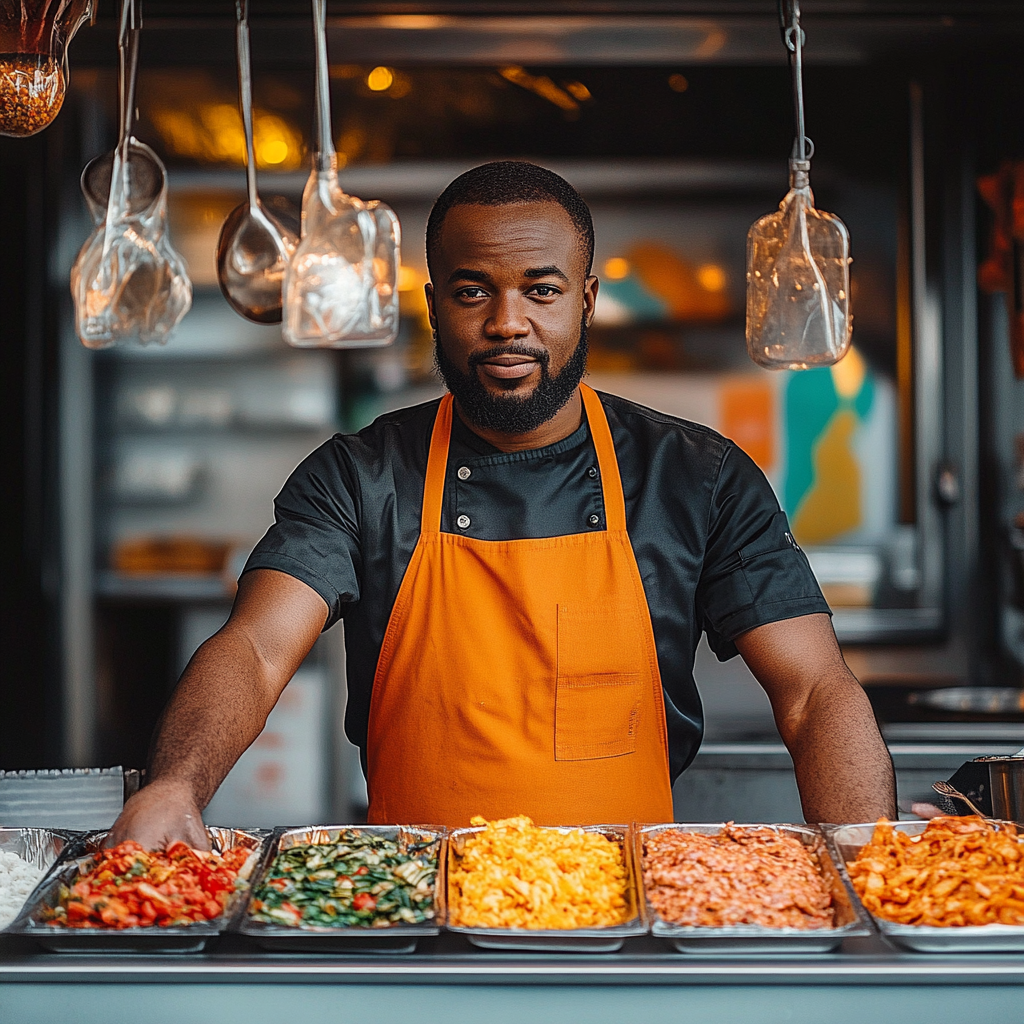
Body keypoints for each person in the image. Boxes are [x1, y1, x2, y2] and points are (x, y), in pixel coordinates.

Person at [110, 161, 895, 849]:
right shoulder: (359, 476)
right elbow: (254, 649)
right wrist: (177, 784)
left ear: (586, 299)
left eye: (541, 291)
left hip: (626, 924)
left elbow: (814, 688)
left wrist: (867, 850)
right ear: (434, 305)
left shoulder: (699, 476)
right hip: (417, 923)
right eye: (473, 290)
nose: (507, 323)